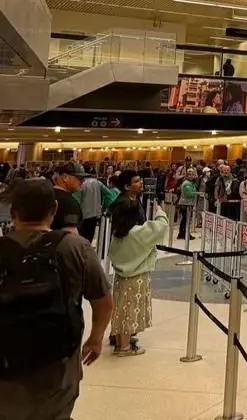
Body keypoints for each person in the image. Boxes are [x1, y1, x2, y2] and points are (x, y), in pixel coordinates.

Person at [0, 179, 113, 418]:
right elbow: (103, 301)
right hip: (59, 364)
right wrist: (95, 338)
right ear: (54, 209)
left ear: (13, 211)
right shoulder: (76, 248)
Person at [108, 198, 168, 356]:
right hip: (136, 277)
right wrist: (160, 212)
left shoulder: (117, 233)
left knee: (121, 309)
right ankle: (125, 347)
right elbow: (161, 226)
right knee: (130, 312)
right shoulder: (137, 232)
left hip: (121, 277)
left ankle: (121, 341)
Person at [52, 161, 88, 236]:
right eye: (79, 178)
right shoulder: (70, 203)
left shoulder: (46, 195)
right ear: (65, 177)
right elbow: (71, 236)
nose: (83, 181)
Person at [77, 171, 113, 242]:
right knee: (90, 238)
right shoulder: (98, 183)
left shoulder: (81, 184)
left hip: (82, 216)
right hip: (95, 215)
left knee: (80, 239)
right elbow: (109, 195)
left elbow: (77, 199)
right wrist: (103, 208)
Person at [177, 168, 198, 241]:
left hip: (188, 203)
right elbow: (188, 194)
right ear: (187, 175)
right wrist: (196, 194)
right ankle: (184, 234)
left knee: (185, 219)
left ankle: (182, 233)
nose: (192, 176)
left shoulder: (191, 183)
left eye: (193, 175)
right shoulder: (187, 183)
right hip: (185, 204)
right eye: (190, 175)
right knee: (186, 219)